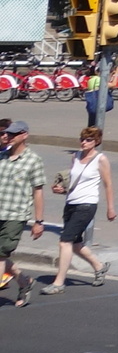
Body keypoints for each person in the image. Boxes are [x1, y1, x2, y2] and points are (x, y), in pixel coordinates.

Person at [45, 127, 114, 290]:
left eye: (88, 140)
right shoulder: (75, 156)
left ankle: (58, 283)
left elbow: (108, 184)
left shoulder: (101, 159)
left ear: (96, 141)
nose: (84, 142)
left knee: (65, 242)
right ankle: (99, 267)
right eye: (82, 139)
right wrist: (61, 189)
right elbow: (73, 181)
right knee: (75, 244)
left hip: (87, 205)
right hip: (71, 203)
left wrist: (110, 208)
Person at [0, 121, 46, 306]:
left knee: (1, 254)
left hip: (15, 215)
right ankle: (24, 281)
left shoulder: (33, 160)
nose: (8, 137)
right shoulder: (2, 156)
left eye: (13, 134)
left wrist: (39, 221)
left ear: (24, 135)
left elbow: (38, 191)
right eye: (7, 134)